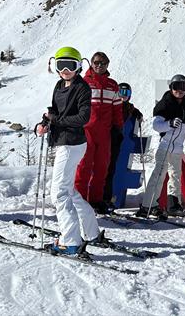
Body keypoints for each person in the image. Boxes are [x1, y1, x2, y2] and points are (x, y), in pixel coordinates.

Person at [38, 46, 100, 256]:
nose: (65, 70)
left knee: (59, 193)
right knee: (69, 191)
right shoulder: (59, 84)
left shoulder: (82, 88)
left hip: (72, 144)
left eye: (70, 65)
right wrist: (45, 122)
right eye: (60, 65)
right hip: (63, 141)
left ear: (78, 67)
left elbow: (83, 118)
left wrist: (56, 120)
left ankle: (70, 240)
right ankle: (92, 232)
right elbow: (54, 110)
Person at [136, 74, 185, 218]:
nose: (179, 90)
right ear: (171, 88)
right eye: (176, 87)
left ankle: (173, 205)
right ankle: (148, 205)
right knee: (159, 175)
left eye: (183, 87)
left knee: (175, 176)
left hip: (177, 148)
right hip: (164, 145)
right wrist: (169, 124)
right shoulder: (165, 103)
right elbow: (156, 125)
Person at [75, 52, 123, 214]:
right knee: (84, 166)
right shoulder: (84, 82)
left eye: (103, 63)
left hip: (104, 133)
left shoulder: (112, 85)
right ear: (91, 63)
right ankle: (80, 200)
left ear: (107, 65)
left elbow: (117, 108)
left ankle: (96, 200)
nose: (99, 65)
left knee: (102, 167)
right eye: (96, 62)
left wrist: (118, 127)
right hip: (86, 130)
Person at [103, 82, 143, 210]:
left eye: (126, 93)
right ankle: (104, 197)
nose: (123, 96)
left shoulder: (129, 108)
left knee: (113, 170)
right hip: (109, 140)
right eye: (120, 92)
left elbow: (133, 111)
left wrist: (138, 115)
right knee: (107, 170)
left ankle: (110, 198)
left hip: (120, 142)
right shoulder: (111, 106)